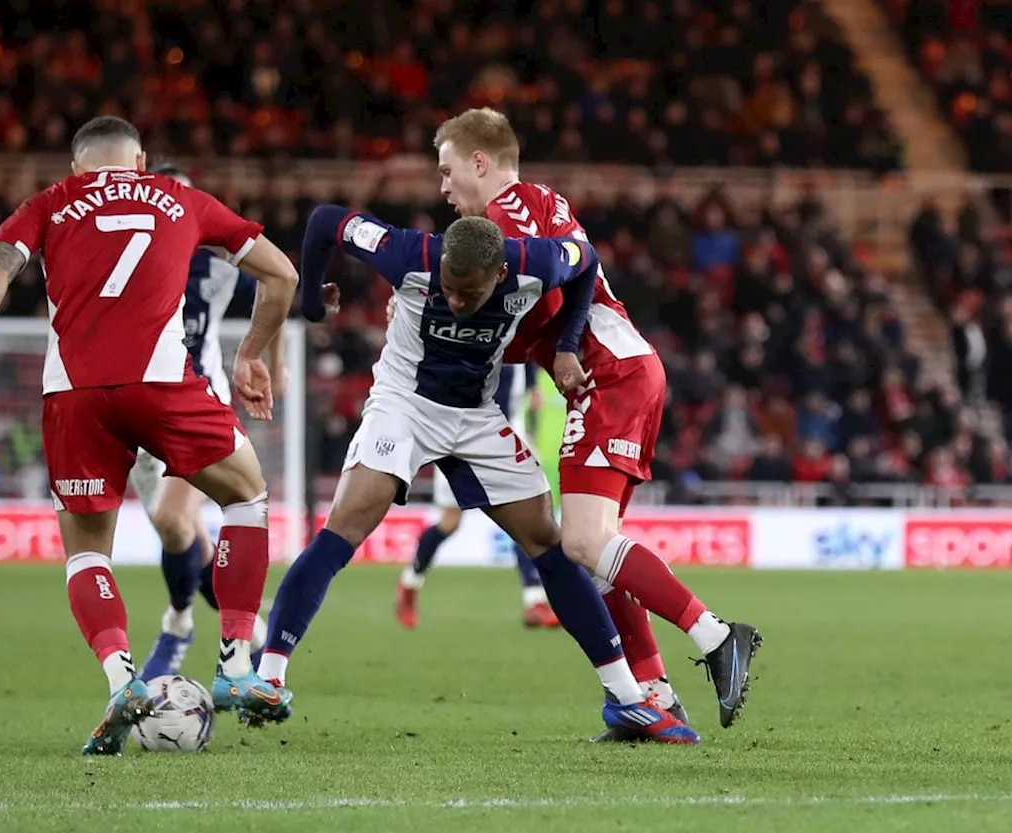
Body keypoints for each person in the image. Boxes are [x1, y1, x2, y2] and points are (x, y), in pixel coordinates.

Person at [256, 204, 701, 744]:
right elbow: (325, 219)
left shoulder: (535, 260)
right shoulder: (408, 252)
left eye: (470, 292)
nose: (457, 301)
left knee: (549, 543)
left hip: (476, 417)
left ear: (501, 275)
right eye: (448, 287)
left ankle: (627, 700)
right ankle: (269, 676)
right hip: (405, 405)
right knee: (344, 527)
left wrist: (566, 346)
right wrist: (310, 303)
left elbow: (587, 262)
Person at [0, 117, 299, 754]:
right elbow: (284, 275)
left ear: (78, 168)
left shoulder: (48, 203)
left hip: (73, 395)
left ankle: (121, 680)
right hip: (160, 383)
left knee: (87, 551)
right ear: (141, 161)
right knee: (245, 496)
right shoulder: (180, 197)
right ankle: (238, 664)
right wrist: (252, 354)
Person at [434, 107, 761, 740]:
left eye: (448, 172)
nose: (443, 187)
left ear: (480, 163)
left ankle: (718, 635)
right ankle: (654, 698)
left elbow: (556, 292)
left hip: (607, 374)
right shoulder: (537, 203)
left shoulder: (500, 226)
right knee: (597, 550)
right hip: (621, 367)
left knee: (581, 544)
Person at [128, 164, 272, 679]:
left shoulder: (215, 264)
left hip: (195, 406)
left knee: (172, 520)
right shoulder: (120, 264)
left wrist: (264, 357)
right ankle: (252, 631)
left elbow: (272, 279)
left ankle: (179, 621)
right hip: (132, 410)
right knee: (184, 536)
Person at [396, 363, 561, 630]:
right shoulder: (477, 335)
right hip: (462, 440)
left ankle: (535, 601)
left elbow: (531, 380)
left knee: (528, 520)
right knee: (450, 522)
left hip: (511, 442)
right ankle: (409, 585)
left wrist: (533, 389)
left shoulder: (518, 336)